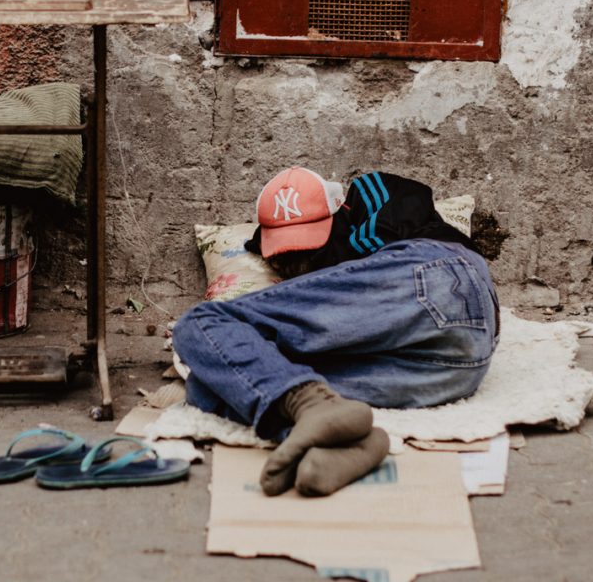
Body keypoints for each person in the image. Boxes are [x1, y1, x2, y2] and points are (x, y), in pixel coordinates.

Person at [173, 167, 499, 497]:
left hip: (442, 275)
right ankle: (342, 439)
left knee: (201, 324)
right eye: (285, 256)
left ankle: (309, 407)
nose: (299, 266)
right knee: (208, 385)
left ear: (338, 213)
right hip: (455, 365)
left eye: (308, 247)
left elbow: (394, 228)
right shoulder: (336, 305)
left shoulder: (368, 202)